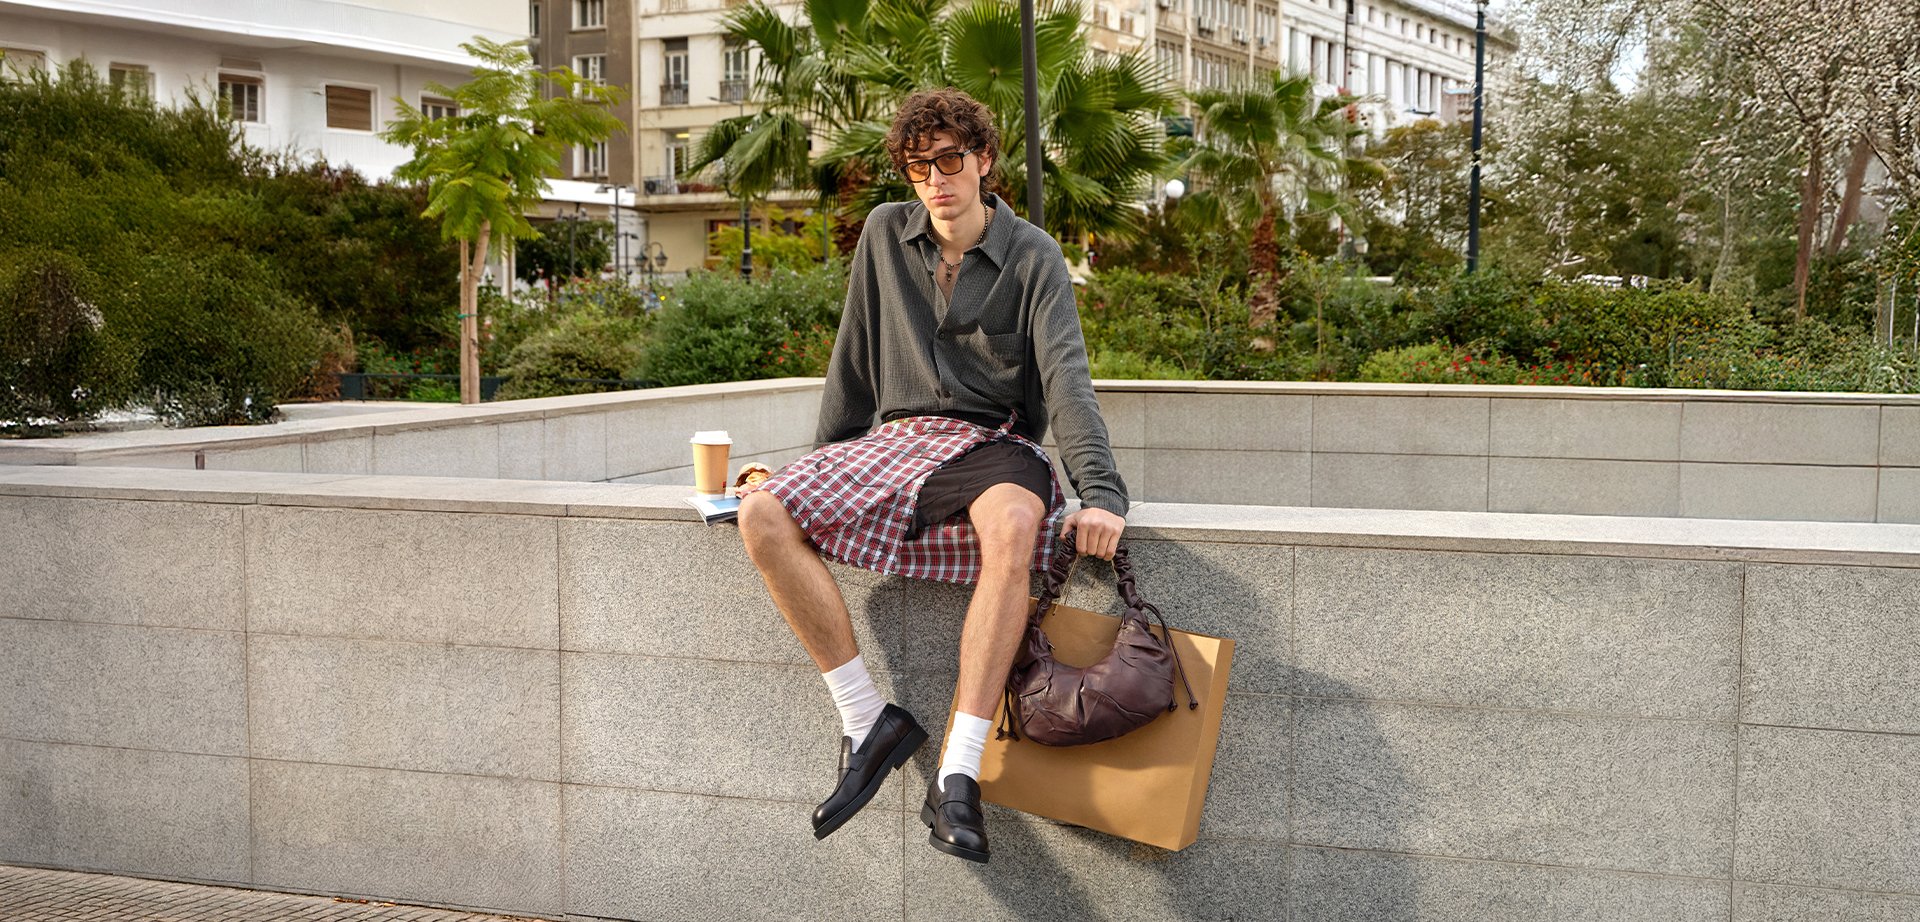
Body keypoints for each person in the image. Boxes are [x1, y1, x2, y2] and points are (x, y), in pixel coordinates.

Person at [735, 87, 1128, 865]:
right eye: (920, 167)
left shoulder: (1032, 253)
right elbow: (852, 362)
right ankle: (866, 720)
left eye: (951, 160)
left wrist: (1101, 495)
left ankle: (959, 771)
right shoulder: (885, 233)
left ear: (983, 160)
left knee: (1015, 525)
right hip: (903, 438)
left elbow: (1068, 382)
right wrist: (815, 467)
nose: (937, 180)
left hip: (996, 443)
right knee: (762, 514)